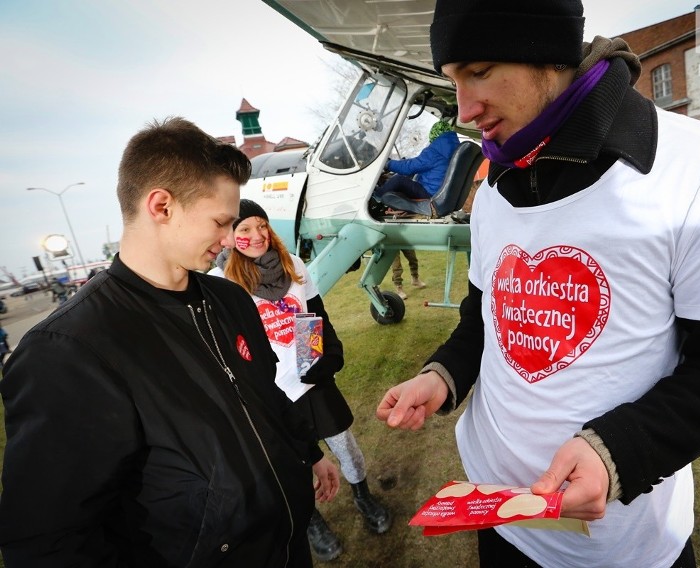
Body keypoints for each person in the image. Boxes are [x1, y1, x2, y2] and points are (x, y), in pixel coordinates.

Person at [376, 2, 700, 567]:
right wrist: (443, 376)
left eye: (478, 72)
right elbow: (486, 315)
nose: (464, 110)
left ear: (544, 53)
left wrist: (614, 452)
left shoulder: (698, 166)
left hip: (620, 545)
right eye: (453, 81)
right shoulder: (497, 180)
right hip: (499, 513)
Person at [0, 117, 339, 567]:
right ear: (161, 206)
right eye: (221, 222)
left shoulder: (231, 300)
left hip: (287, 547)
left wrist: (309, 454)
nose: (229, 240)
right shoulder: (67, 350)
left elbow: (267, 399)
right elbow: (48, 541)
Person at [210, 199, 391, 562]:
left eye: (261, 225)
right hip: (274, 392)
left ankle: (363, 495)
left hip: (313, 377)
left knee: (345, 445)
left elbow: (315, 314)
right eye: (244, 229)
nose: (257, 235)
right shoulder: (220, 283)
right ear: (229, 237)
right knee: (296, 462)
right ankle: (312, 521)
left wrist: (329, 356)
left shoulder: (292, 262)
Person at [373, 119, 460, 207]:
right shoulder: (454, 150)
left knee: (398, 180)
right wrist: (403, 162)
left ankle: (376, 198)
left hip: (429, 193)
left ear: (434, 134)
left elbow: (408, 168)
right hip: (439, 194)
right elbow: (420, 163)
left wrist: (388, 164)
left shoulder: (435, 151)